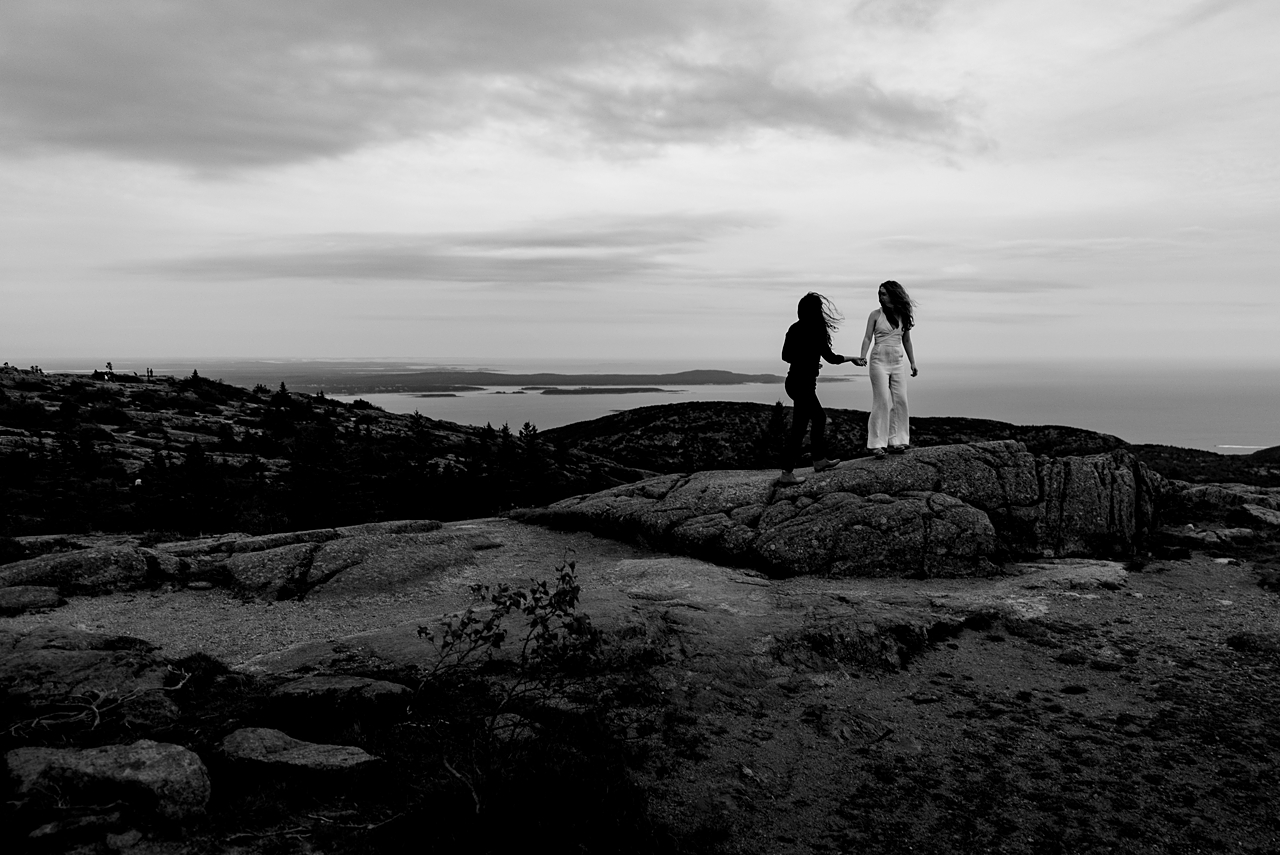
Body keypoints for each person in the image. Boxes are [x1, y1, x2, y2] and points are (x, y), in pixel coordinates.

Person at [777, 292, 852, 485]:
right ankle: (790, 472)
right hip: (802, 384)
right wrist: (852, 359)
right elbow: (831, 358)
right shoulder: (817, 329)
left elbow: (786, 355)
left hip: (794, 382)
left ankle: (817, 461)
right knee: (809, 423)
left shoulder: (794, 328)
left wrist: (808, 361)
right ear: (817, 310)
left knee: (811, 421)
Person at [851, 280, 917, 459]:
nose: (880, 296)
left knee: (901, 399)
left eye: (884, 293)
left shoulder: (903, 314)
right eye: (879, 293)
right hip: (879, 360)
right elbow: (867, 338)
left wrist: (912, 362)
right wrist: (862, 355)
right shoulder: (875, 315)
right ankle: (876, 444)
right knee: (881, 400)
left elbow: (907, 340)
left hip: (897, 360)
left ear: (893, 294)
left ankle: (897, 441)